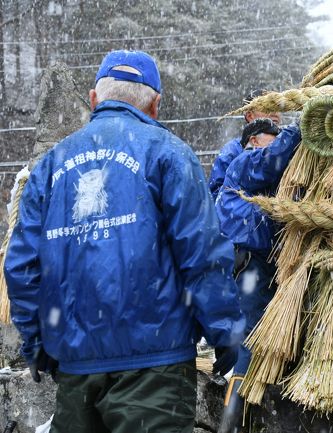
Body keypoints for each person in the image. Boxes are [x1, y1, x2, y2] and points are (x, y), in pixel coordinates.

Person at [3, 50, 245, 433]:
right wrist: (225, 331)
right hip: (155, 371)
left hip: (77, 371)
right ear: (155, 104)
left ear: (94, 98)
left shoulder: (51, 166)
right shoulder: (169, 155)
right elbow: (201, 254)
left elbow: (21, 267)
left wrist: (36, 343)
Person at [214, 118, 301, 433]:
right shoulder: (245, 162)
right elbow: (274, 159)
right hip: (249, 264)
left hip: (261, 266)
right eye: (271, 136)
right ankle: (230, 425)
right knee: (250, 342)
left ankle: (246, 419)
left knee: (252, 343)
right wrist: (297, 129)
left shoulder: (266, 184)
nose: (276, 141)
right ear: (254, 139)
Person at [207, 90, 281, 200]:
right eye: (268, 106)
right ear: (250, 116)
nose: (275, 112)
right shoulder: (232, 151)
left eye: (278, 107)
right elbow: (217, 197)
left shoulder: (289, 145)